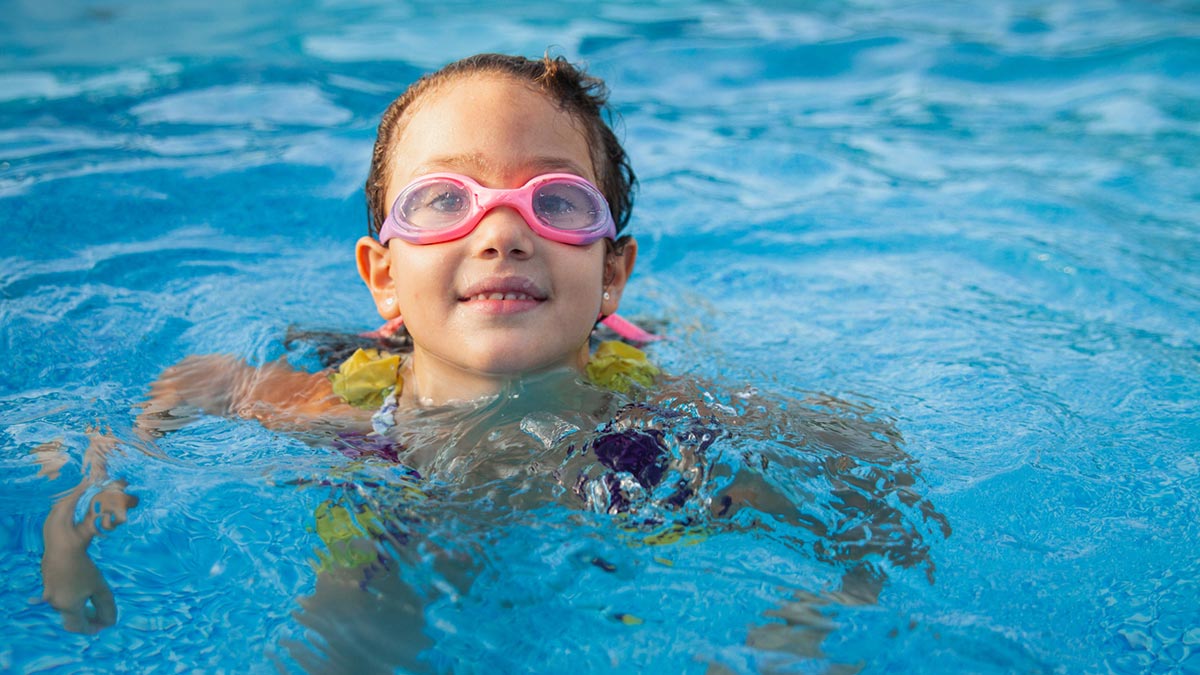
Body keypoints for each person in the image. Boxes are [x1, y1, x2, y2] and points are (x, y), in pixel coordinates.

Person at [39, 54, 948, 671]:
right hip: (409, 464)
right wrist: (103, 472)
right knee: (351, 612)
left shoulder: (668, 427)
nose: (503, 230)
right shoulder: (344, 411)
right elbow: (201, 380)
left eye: (555, 200)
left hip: (608, 432)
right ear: (384, 277)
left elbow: (862, 457)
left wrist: (826, 607)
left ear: (610, 273)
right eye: (445, 200)